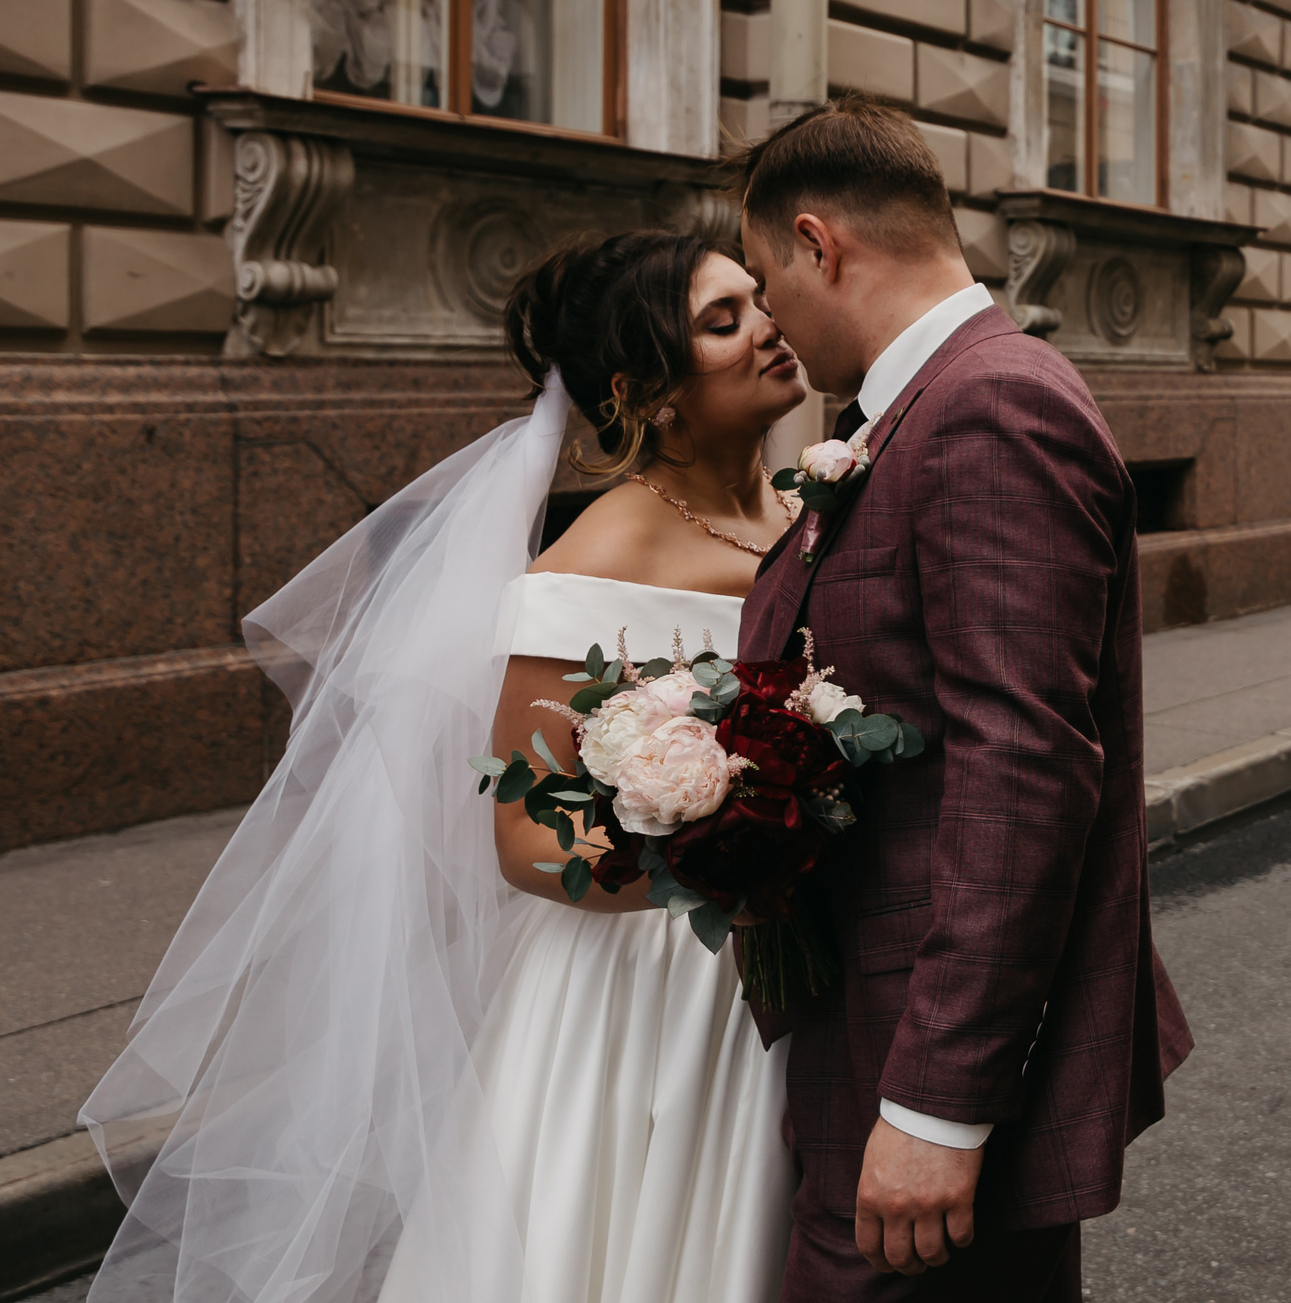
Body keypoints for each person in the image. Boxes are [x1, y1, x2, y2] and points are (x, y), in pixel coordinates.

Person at [81, 230, 809, 1303]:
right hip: (649, 994)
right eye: (724, 318)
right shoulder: (597, 557)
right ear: (646, 390)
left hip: (793, 957)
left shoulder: (805, 513)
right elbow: (524, 839)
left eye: (758, 299)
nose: (770, 324)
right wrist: (716, 860)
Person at [732, 98, 1193, 1302]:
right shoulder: (912, 409)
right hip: (879, 1026)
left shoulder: (990, 404)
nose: (771, 320)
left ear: (820, 245)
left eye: (769, 281)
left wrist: (936, 1105)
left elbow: (1023, 770)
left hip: (930, 1054)